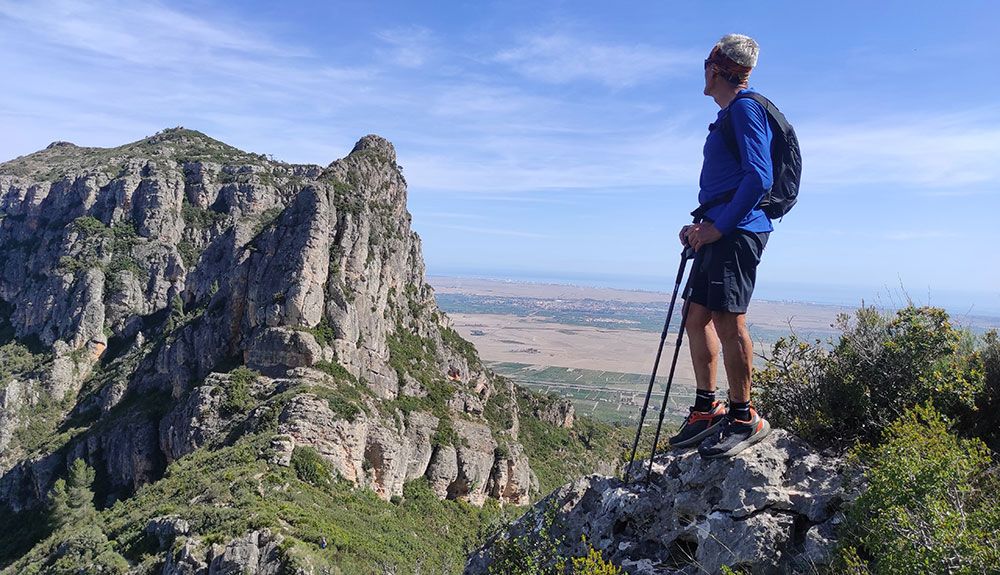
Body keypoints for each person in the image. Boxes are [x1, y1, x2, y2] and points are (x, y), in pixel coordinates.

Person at [668, 34, 773, 458]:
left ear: (716, 67)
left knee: (730, 322)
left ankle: (745, 416)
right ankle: (707, 407)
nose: (703, 72)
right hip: (720, 226)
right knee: (696, 315)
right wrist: (703, 225)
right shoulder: (731, 114)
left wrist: (719, 227)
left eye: (705, 63)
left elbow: (759, 177)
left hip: (739, 230)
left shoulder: (745, 110)